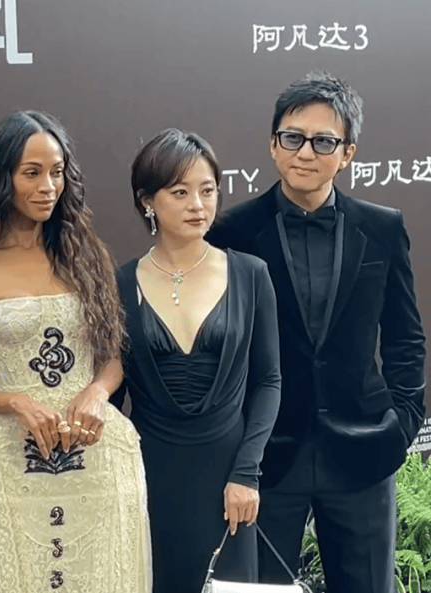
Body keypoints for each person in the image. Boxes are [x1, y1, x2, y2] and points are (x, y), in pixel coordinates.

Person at [207, 72, 426, 593]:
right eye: (293, 137)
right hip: (267, 456)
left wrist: (402, 424)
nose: (305, 152)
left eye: (323, 141)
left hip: (363, 452)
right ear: (273, 144)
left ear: (347, 153)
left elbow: (405, 337)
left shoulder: (382, 227)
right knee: (263, 591)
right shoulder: (232, 231)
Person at [0, 110, 151, 592]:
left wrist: (97, 393)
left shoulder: (87, 256)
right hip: (2, 462)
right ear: (0, 178)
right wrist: (15, 401)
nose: (48, 186)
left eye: (56, 172)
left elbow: (112, 357)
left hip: (95, 452)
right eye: (31, 173)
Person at [116, 129, 281, 591]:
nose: (198, 205)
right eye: (180, 192)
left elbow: (268, 381)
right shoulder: (120, 284)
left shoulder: (251, 275)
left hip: (230, 479)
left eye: (207, 191)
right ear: (147, 200)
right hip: (149, 478)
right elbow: (110, 394)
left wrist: (247, 472)